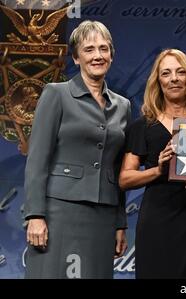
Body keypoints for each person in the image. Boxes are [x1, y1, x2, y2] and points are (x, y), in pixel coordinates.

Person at [23, 20, 130, 279]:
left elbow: (118, 169)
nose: (97, 56)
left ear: (111, 56)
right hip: (59, 212)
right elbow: (37, 159)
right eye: (89, 49)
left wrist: (119, 223)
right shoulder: (56, 94)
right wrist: (35, 215)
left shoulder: (123, 105)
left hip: (103, 216)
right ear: (76, 57)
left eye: (104, 49)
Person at [119, 49, 186, 279]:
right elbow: (125, 178)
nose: (174, 79)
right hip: (157, 220)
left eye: (180, 72)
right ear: (158, 81)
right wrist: (158, 170)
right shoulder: (143, 125)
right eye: (166, 73)